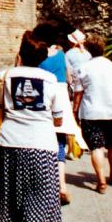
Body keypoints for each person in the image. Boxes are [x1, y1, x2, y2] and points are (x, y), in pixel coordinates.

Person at [0, 30, 64, 222]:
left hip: (11, 143)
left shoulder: (7, 75)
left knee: (19, 195)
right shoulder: (51, 80)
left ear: (20, 54)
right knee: (39, 197)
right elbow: (58, 116)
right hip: (40, 144)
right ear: (44, 57)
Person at [71, 33, 112, 193]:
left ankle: (101, 181)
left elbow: (78, 94)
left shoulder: (83, 68)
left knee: (96, 147)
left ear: (89, 50)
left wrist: (75, 111)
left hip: (92, 112)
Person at [32, 22, 81, 207]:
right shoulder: (61, 55)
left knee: (40, 143)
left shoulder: (38, 56)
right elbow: (70, 77)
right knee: (59, 144)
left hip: (43, 103)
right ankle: (62, 185)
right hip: (60, 102)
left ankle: (41, 186)